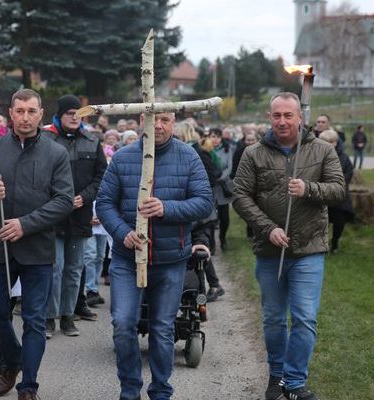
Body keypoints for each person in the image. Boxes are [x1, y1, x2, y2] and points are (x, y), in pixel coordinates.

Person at [232, 92, 345, 400]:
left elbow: (338, 190)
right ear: (270, 118)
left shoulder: (322, 150)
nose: (282, 121)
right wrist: (268, 229)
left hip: (308, 248)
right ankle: (276, 375)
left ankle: (295, 383)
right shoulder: (253, 153)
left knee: (305, 317)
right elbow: (240, 197)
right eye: (277, 115)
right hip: (270, 252)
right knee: (273, 318)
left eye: (288, 115)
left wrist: (309, 188)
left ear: (300, 117)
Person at [95, 107, 214, 400]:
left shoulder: (188, 156)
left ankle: (161, 390)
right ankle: (130, 390)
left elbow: (204, 203)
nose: (158, 125)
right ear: (140, 121)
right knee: (123, 324)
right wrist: (123, 233)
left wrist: (166, 208)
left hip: (170, 260)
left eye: (164, 120)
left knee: (162, 328)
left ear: (173, 123)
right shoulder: (122, 158)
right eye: (152, 119)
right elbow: (105, 203)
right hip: (127, 259)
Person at [0, 89, 74, 400]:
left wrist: (25, 224)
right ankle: (13, 360)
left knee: (34, 320)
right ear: (10, 114)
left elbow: (64, 200)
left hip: (37, 248)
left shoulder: (56, 153)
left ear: (41, 114)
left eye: (31, 111)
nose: (25, 117)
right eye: (20, 111)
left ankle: (28, 386)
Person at [43, 94, 107, 337]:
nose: (74, 116)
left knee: (74, 268)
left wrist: (85, 196)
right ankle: (49, 317)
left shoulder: (92, 140)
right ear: (59, 115)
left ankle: (68, 317)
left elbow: (102, 175)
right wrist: (57, 199)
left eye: (77, 113)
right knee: (55, 267)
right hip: (53, 215)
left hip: (80, 215)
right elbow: (38, 173)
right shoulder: (46, 139)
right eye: (69, 113)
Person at [319, 130, 354, 253]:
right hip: (322, 194)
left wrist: (336, 184)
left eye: (331, 142)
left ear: (335, 143)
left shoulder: (344, 158)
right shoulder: (316, 156)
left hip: (339, 196)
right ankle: (322, 244)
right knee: (322, 222)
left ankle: (335, 242)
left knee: (339, 221)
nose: (328, 144)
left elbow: (349, 173)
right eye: (325, 142)